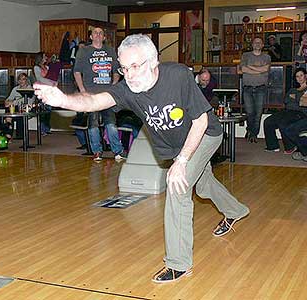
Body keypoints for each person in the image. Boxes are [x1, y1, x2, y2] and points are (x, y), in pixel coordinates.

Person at [34, 34, 250, 283]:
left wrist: (181, 162)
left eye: (135, 66)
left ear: (153, 61)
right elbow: (95, 100)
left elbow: (200, 120)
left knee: (178, 186)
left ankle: (178, 263)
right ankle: (236, 210)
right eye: (124, 68)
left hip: (203, 135)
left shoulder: (177, 76)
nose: (129, 74)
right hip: (173, 144)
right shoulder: (128, 88)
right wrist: (64, 99)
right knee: (201, 184)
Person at [73, 27, 125, 161]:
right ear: (91, 36)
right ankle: (97, 151)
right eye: (95, 33)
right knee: (93, 123)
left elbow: (116, 70)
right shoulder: (84, 51)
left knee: (111, 123)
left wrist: (114, 84)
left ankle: (117, 151)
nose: (98, 35)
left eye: (100, 33)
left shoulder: (110, 50)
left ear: (104, 37)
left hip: (107, 93)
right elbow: (77, 71)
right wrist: (82, 90)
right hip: (91, 93)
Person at [264, 68, 307, 154]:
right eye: (297, 76)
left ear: (306, 76)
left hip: (300, 113)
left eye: (301, 75)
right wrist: (298, 99)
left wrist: (295, 98)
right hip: (287, 111)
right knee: (268, 121)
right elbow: (286, 100)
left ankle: (290, 147)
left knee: (283, 122)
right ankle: (273, 146)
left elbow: (303, 104)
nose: (299, 78)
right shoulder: (293, 89)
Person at [239, 37, 271, 143]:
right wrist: (259, 70)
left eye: (259, 42)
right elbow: (243, 69)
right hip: (247, 88)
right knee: (249, 113)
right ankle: (250, 130)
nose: (257, 44)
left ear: (262, 45)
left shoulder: (267, 57)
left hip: (261, 88)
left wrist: (250, 67)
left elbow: (265, 69)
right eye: (255, 42)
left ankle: (253, 134)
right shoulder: (245, 55)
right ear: (252, 44)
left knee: (258, 113)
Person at [4, 72, 34, 139]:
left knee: (11, 110)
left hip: (27, 107)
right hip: (16, 107)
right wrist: (7, 102)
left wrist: (13, 102)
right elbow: (9, 98)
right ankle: (9, 129)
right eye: (20, 79)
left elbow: (25, 100)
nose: (21, 81)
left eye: (23, 79)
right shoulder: (15, 89)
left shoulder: (30, 88)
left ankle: (9, 130)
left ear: (26, 80)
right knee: (8, 109)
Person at [33, 52, 57, 135]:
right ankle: (42, 129)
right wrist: (51, 83)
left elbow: (51, 76)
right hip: (41, 90)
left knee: (48, 110)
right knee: (42, 110)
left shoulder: (47, 67)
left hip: (48, 90)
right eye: (44, 56)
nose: (46, 57)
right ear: (40, 58)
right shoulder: (36, 67)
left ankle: (47, 128)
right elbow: (39, 78)